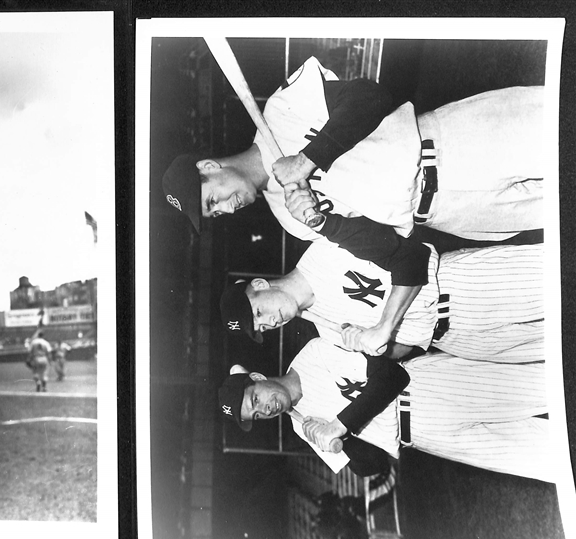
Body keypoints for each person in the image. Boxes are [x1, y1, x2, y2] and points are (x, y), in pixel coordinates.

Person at [162, 55, 544, 243]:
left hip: (453, 146)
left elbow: (371, 96)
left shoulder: (281, 111)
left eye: (213, 199)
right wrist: (325, 224)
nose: (227, 208)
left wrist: (308, 159)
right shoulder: (288, 218)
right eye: (217, 214)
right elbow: (382, 242)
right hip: (447, 214)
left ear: (210, 166)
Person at [218, 203, 544, 363]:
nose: (270, 322)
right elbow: (407, 348)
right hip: (456, 341)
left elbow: (412, 257)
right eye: (262, 328)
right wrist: (377, 349)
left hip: (463, 287)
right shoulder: (327, 332)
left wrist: (384, 326)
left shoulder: (326, 251)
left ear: (260, 285)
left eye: (258, 313)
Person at [217, 338, 555, 483]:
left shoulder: (313, 353)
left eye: (256, 399)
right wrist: (335, 442)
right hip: (423, 437)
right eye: (257, 415)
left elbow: (393, 374)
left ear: (259, 378)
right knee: (537, 458)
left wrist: (339, 424)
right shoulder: (300, 427)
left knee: (547, 388)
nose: (266, 409)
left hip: (428, 389)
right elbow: (373, 465)